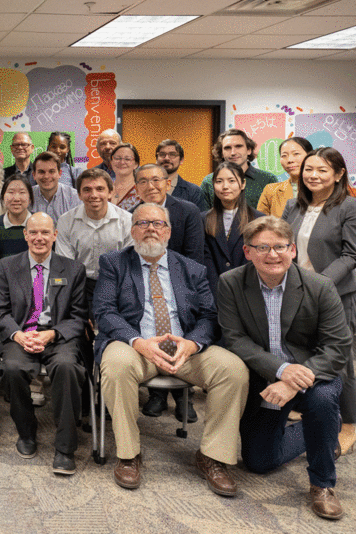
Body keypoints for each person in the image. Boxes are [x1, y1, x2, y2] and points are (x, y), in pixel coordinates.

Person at [95, 203, 248, 495]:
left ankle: (213, 457)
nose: (150, 228)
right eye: (142, 223)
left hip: (185, 349)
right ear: (132, 230)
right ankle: (129, 455)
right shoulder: (113, 263)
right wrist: (138, 341)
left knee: (233, 369)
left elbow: (209, 316)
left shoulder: (191, 268)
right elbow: (104, 311)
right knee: (115, 364)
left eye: (157, 223)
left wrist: (191, 344)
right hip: (138, 348)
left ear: (168, 231)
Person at [217, 216, 352, 520]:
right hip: (266, 377)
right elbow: (234, 338)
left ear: (292, 250)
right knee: (259, 461)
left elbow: (338, 346)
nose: (272, 254)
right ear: (247, 251)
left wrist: (293, 379)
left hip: (314, 374)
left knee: (321, 401)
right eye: (262, 247)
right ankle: (323, 429)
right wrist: (280, 371)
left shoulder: (320, 287)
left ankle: (322, 485)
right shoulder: (231, 283)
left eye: (280, 246)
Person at [283, 147, 356, 456]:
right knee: (301, 352)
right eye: (309, 169)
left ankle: (348, 426)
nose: (313, 175)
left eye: (321, 170)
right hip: (295, 293)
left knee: (339, 360)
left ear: (338, 174)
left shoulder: (351, 206)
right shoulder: (294, 206)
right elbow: (283, 246)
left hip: (334, 295)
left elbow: (351, 255)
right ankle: (309, 407)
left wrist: (318, 284)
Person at [0, 212, 88, 474]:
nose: (39, 238)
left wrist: (52, 334)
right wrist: (18, 335)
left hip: (57, 336)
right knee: (12, 367)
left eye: (45, 232)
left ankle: (65, 448)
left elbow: (78, 317)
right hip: (22, 333)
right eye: (33, 232)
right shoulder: (7, 266)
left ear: (55, 235)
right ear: (25, 235)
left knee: (68, 368)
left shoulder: (73, 269)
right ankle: (26, 432)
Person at [134, 162, 207, 420]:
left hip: (182, 286)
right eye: (143, 181)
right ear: (136, 187)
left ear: (168, 182)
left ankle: (183, 397)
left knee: (179, 325)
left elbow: (195, 256)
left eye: (156, 180)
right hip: (146, 284)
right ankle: (157, 396)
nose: (150, 186)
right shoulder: (135, 215)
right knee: (151, 324)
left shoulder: (188, 211)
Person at [56, 168, 133, 312]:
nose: (93, 195)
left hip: (117, 284)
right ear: (79, 194)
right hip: (80, 284)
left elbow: (128, 264)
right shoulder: (66, 221)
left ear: (110, 192)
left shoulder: (127, 220)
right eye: (87, 190)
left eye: (100, 189)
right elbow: (65, 265)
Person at [202, 161, 262, 299]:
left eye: (231, 181)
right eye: (219, 181)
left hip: (249, 292)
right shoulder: (203, 220)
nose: (225, 186)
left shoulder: (258, 219)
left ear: (242, 184)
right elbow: (204, 260)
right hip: (213, 295)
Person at [201, 128, 278, 209]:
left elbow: (275, 217)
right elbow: (203, 217)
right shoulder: (209, 181)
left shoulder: (268, 180)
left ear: (249, 150)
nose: (233, 153)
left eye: (238, 146)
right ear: (222, 153)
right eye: (227, 148)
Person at [257, 137, 313, 218]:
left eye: (296, 154)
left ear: (310, 156)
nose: (290, 160)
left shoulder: (323, 188)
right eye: (284, 155)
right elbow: (260, 224)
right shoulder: (270, 191)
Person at [156, 139, 206, 212]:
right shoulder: (147, 188)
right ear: (157, 159)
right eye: (162, 154)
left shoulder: (194, 192)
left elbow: (199, 221)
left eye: (172, 154)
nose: (166, 158)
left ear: (181, 160)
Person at [0, 174, 34, 259]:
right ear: (3, 197)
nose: (16, 198)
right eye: (11, 192)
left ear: (30, 198)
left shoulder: (40, 224)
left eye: (22, 192)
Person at [30, 152, 79, 224]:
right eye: (41, 172)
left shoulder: (74, 197)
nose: (46, 176)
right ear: (34, 175)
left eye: (51, 171)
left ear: (60, 173)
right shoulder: (27, 196)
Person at [109, 143, 141, 211]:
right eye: (117, 158)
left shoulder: (141, 191)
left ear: (136, 164)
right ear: (111, 162)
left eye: (127, 159)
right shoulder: (104, 188)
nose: (122, 162)